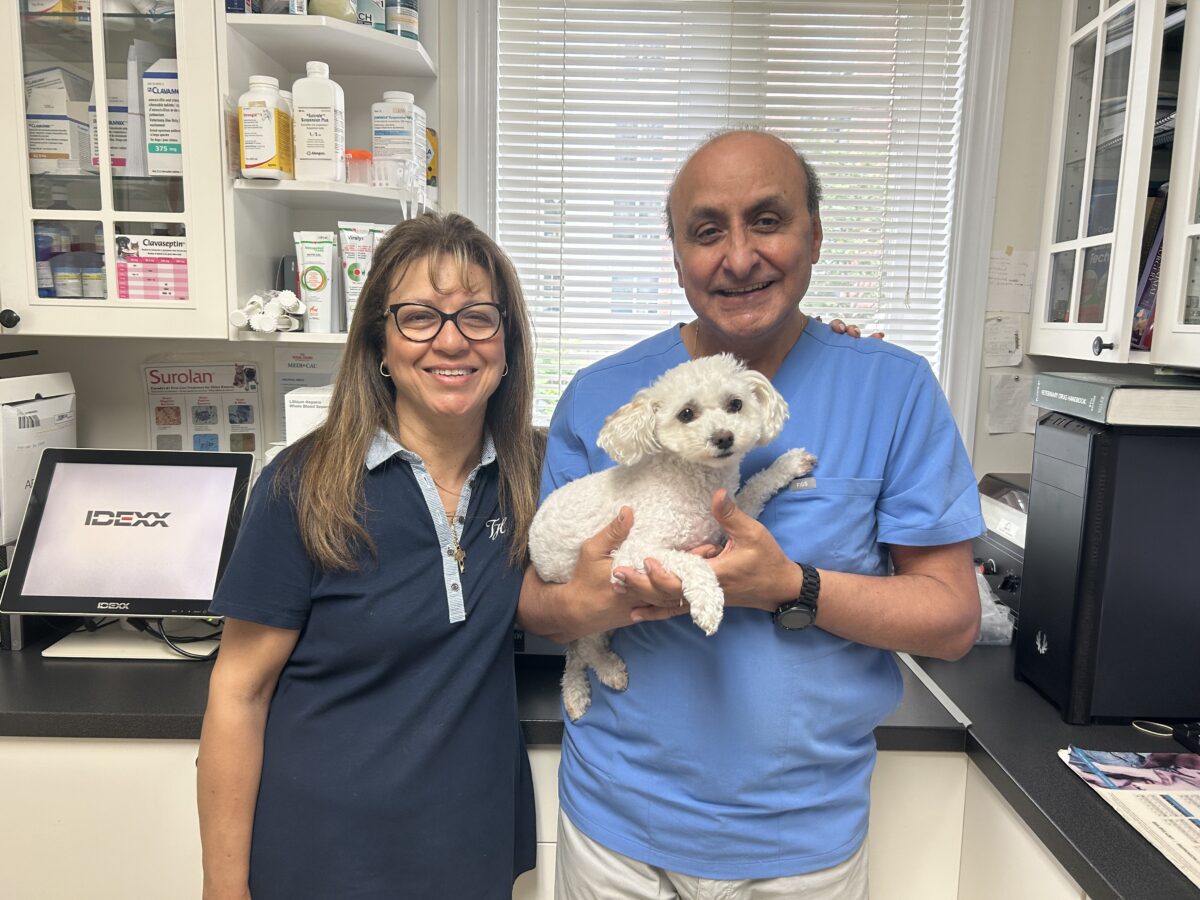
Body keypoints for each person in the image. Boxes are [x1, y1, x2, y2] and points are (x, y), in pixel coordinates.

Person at [517, 129, 985, 899]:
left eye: (767, 220)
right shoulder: (605, 398)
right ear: (676, 254)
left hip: (802, 844)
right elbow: (537, 603)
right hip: (615, 829)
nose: (738, 257)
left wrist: (789, 586)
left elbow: (951, 619)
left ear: (815, 236)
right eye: (707, 232)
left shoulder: (894, 391)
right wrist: (595, 599)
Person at [197, 213, 539, 900]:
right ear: (380, 344)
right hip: (321, 855)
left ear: (505, 344)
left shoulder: (537, 471)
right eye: (419, 317)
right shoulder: (305, 482)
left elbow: (661, 463)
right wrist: (223, 889)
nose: (451, 340)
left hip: (470, 849)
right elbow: (239, 692)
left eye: (477, 317)